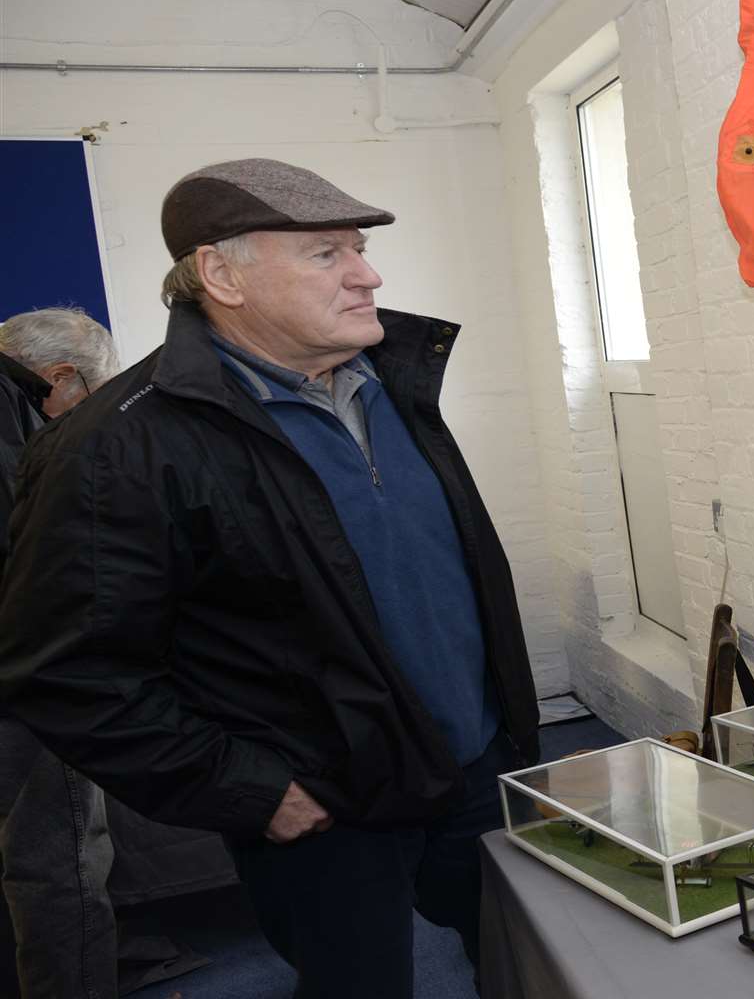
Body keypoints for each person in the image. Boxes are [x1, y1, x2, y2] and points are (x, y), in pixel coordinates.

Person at [0, 159, 539, 998]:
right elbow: (68, 672)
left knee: (523, 960)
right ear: (221, 274)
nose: (369, 273)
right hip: (323, 807)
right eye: (327, 254)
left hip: (473, 766)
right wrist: (254, 792)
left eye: (357, 248)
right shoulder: (116, 446)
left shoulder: (395, 382)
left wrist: (504, 727)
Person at [0, 307, 118, 998]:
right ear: (61, 378)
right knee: (59, 863)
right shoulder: (17, 433)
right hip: (26, 677)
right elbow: (36, 569)